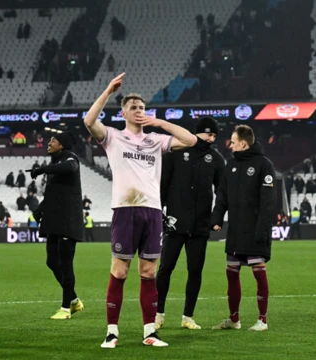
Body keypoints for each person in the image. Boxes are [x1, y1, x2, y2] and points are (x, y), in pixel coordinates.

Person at [83, 73, 197, 348]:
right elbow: (88, 121)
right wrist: (109, 90)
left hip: (152, 211)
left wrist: (159, 123)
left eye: (142, 108)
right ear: (123, 113)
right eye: (133, 108)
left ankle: (150, 332)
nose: (139, 111)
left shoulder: (156, 140)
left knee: (148, 272)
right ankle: (112, 332)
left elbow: (191, 140)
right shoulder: (113, 137)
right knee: (120, 271)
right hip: (125, 209)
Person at [155, 116, 225, 331]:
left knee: (195, 271)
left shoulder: (216, 159)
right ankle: (158, 313)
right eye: (208, 134)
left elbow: (221, 193)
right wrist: (160, 214)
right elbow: (163, 186)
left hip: (200, 225)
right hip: (175, 222)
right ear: (198, 132)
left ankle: (188, 316)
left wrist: (216, 218)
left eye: (214, 135)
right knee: (166, 268)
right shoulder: (175, 153)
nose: (211, 138)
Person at [211, 125, 276, 332]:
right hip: (236, 230)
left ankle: (262, 320)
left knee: (259, 274)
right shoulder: (230, 165)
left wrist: (263, 230)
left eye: (232, 140)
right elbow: (222, 195)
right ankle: (234, 319)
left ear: (243, 143)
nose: (229, 144)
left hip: (255, 230)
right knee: (231, 273)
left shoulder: (264, 165)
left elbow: (268, 202)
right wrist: (217, 218)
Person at [29, 132, 85, 320]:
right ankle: (74, 300)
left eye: (53, 140)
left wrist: (44, 169)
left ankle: (65, 309)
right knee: (52, 261)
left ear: (62, 145)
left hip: (68, 219)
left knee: (66, 264)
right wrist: (38, 212)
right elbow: (52, 195)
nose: (49, 142)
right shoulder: (56, 165)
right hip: (55, 219)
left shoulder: (70, 158)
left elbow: (69, 167)